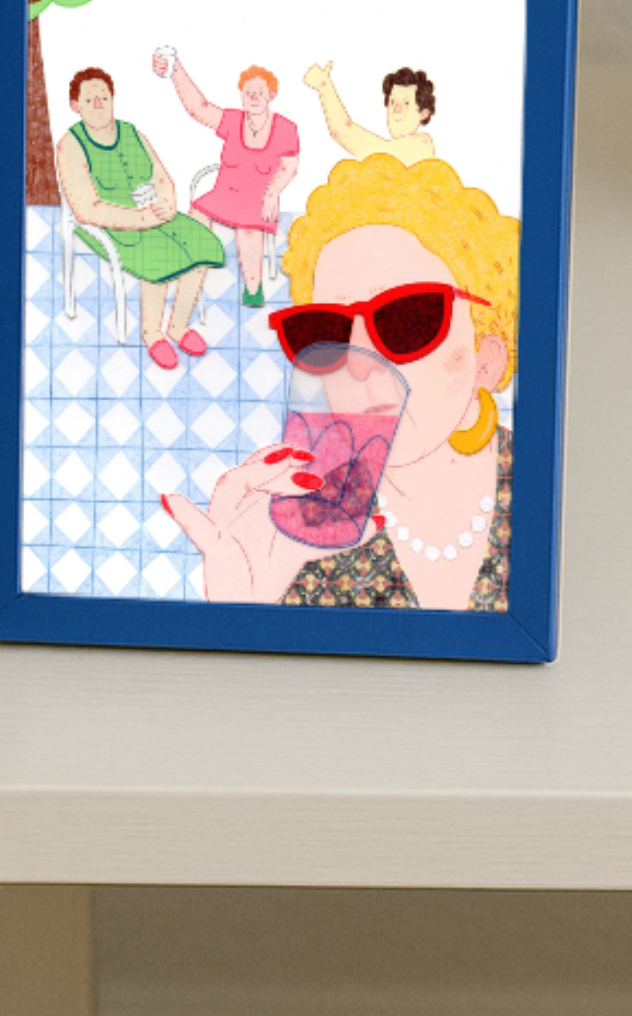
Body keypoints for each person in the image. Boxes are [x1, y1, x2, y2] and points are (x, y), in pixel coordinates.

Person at [163, 154, 519, 611]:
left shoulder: (544, 492)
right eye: (326, 331)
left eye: (407, 319)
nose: (358, 364)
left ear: (487, 358)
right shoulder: (302, 533)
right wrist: (243, 608)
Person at [56, 67, 225, 370]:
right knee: (158, 256)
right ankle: (152, 333)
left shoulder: (132, 133)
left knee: (202, 242)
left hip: (153, 213)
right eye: (90, 99)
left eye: (104, 97)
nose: (99, 105)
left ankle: (178, 325)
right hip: (110, 225)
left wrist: (168, 204)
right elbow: (87, 209)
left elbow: (160, 176)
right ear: (75, 105)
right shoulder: (71, 144)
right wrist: (141, 219)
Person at [152, 52, 299, 309]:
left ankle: (253, 288)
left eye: (260, 92)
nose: (254, 97)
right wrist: (176, 69)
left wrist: (273, 192)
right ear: (241, 95)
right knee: (196, 215)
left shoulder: (285, 127)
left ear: (271, 95)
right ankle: (187, 273)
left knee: (249, 231)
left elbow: (290, 167)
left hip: (257, 199)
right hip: (223, 194)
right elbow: (199, 108)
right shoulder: (233, 120)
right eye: (248, 92)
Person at [303, 62, 436, 167]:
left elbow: (347, 134)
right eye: (392, 102)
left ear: (423, 113)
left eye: (406, 103)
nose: (396, 109)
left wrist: (325, 88)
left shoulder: (421, 144)